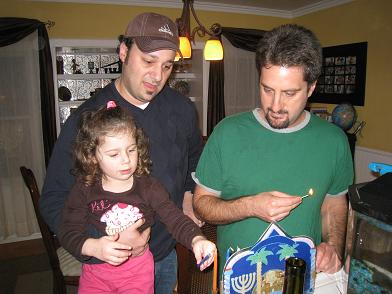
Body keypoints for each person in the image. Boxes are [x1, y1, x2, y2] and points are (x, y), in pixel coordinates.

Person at [40, 12, 204, 293]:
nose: (157, 76)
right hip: (107, 266)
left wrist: (189, 198)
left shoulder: (183, 110)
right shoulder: (87, 120)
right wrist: (100, 244)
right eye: (148, 61)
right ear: (124, 52)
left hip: (165, 254)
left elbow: (192, 162)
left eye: (167, 66)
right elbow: (54, 199)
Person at [192, 24, 354, 286]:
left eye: (289, 93)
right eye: (267, 89)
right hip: (239, 282)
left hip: (304, 281)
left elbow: (333, 203)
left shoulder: (334, 140)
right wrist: (251, 206)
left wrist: (333, 246)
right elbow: (202, 204)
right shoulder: (227, 132)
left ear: (311, 87)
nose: (275, 105)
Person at [58, 101, 215, 293]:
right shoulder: (84, 188)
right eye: (114, 154)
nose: (126, 159)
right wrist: (93, 247)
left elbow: (175, 219)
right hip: (95, 275)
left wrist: (196, 239)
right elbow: (67, 230)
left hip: (137, 274)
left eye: (131, 150)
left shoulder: (149, 187)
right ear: (92, 156)